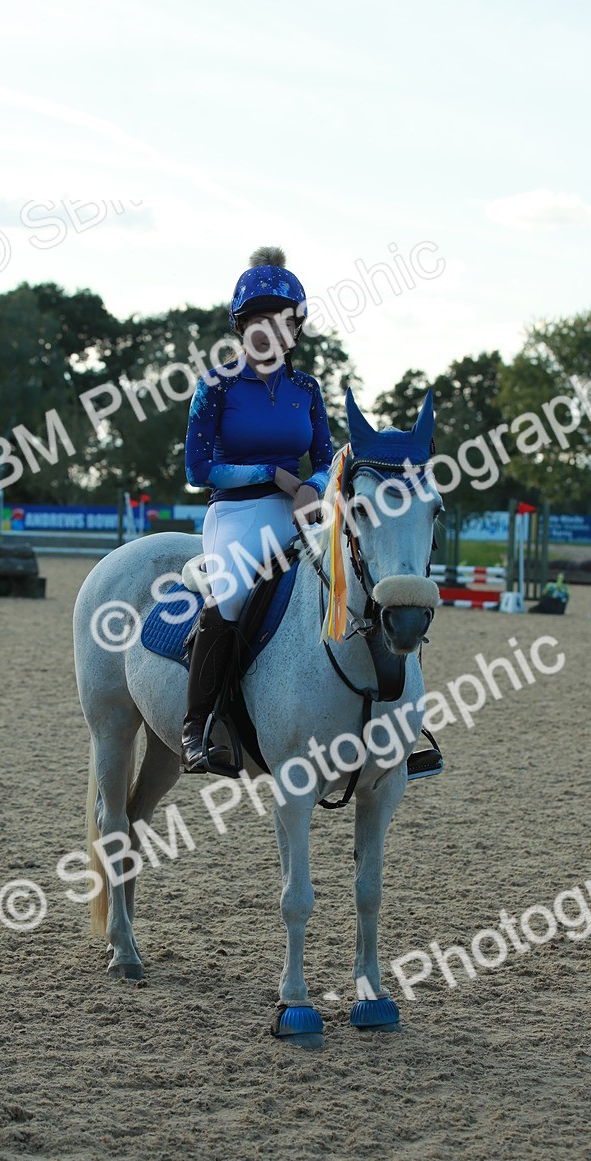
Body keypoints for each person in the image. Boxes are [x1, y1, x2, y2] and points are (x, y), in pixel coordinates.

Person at [181, 247, 335, 772]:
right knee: (231, 597)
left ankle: (390, 711)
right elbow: (198, 470)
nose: (270, 331)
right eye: (257, 321)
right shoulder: (216, 385)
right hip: (238, 514)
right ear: (241, 327)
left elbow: (327, 458)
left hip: (301, 512)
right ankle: (199, 722)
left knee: (360, 574)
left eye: (282, 321)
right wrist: (271, 475)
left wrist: (313, 485)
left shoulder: (306, 389)